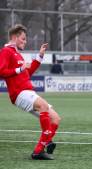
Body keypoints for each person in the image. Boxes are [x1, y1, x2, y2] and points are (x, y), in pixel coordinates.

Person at [0, 24, 61, 160]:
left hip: (28, 92)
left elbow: (27, 73)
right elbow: (1, 71)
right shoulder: (6, 51)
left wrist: (39, 57)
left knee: (56, 118)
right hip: (19, 93)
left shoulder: (16, 54)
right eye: (23, 39)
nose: (25, 42)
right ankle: (43, 146)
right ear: (15, 37)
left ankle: (41, 147)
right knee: (44, 106)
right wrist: (19, 69)